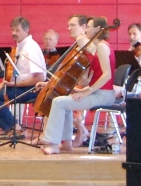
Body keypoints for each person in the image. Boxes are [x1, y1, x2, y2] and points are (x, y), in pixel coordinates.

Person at [37, 15, 115, 155]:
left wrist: (86, 92)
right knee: (64, 101)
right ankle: (66, 142)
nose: (86, 30)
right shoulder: (99, 46)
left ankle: (53, 144)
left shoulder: (102, 46)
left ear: (98, 29)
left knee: (58, 102)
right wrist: (84, 89)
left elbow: (107, 75)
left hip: (104, 95)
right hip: (98, 92)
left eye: (88, 27)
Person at [0, 16, 47, 138]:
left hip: (32, 89)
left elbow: (39, 78)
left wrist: (14, 84)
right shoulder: (20, 46)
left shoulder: (31, 48)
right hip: (20, 86)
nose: (14, 33)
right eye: (12, 30)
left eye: (17, 30)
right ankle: (6, 128)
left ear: (27, 30)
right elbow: (15, 72)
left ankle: (16, 128)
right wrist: (3, 83)